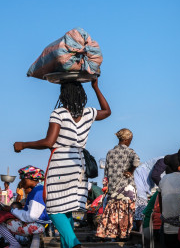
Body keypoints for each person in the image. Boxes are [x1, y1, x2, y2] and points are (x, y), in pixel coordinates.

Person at [13, 78, 111, 248]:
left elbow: (49, 142)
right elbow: (107, 111)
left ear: (63, 95)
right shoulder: (88, 113)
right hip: (79, 165)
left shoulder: (59, 113)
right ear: (82, 95)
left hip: (60, 164)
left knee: (53, 208)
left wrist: (23, 144)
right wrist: (96, 86)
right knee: (66, 208)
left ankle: (74, 244)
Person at [96, 128, 140, 240]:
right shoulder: (130, 152)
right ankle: (124, 234)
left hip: (113, 188)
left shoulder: (110, 153)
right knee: (125, 212)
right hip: (126, 187)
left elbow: (106, 173)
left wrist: (106, 186)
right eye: (130, 139)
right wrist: (131, 171)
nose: (130, 141)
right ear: (126, 140)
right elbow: (137, 161)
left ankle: (111, 233)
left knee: (113, 211)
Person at [0, 166, 51, 248]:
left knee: (1, 221)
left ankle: (14, 244)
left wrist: (12, 210)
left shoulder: (37, 192)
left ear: (31, 179)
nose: (21, 182)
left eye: (23, 179)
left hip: (36, 225)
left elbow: (31, 216)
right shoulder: (38, 189)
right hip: (40, 225)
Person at [134, 156, 163, 230]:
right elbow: (155, 176)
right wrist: (163, 187)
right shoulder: (164, 160)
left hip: (146, 183)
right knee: (141, 207)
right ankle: (141, 232)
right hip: (140, 181)